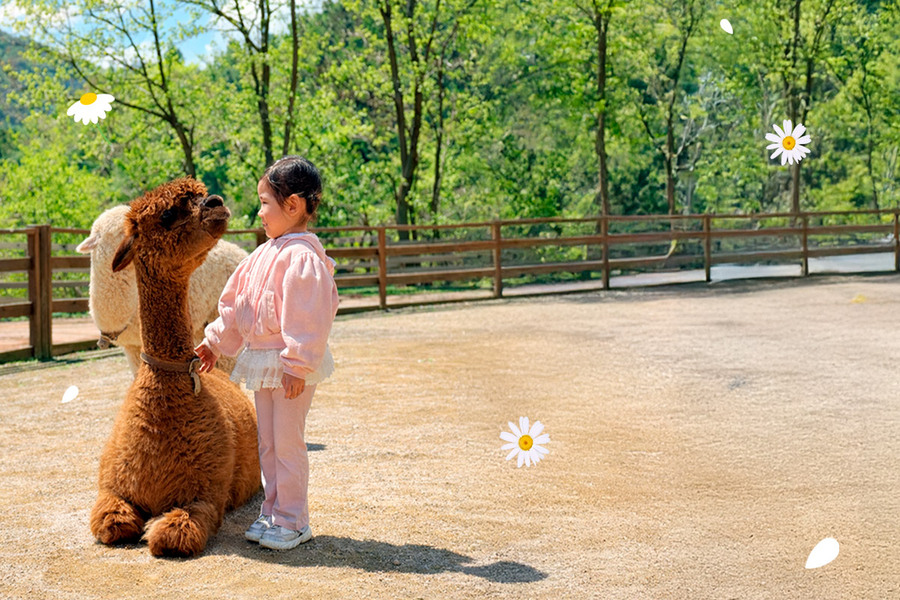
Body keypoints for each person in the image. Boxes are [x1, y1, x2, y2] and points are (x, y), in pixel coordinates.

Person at [195, 155, 339, 551]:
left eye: (265, 203)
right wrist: (214, 342)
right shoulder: (261, 256)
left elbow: (309, 318)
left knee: (288, 440)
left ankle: (294, 520)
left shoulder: (303, 258)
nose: (259, 212)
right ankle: (272, 511)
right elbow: (236, 307)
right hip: (263, 363)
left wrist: (297, 364)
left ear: (292, 205)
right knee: (269, 442)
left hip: (290, 365)